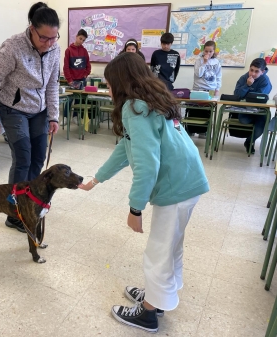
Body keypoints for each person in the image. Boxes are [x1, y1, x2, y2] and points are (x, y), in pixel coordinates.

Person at [79, 52, 209, 333]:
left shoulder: (133, 108)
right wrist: (97, 180)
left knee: (158, 252)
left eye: (109, 84)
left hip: (176, 188)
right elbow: (126, 150)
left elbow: (147, 164)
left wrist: (135, 208)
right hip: (188, 181)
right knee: (170, 247)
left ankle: (148, 314)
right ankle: (157, 298)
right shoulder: (151, 101)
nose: (107, 89)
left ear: (121, 82)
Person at [0, 2, 60, 233]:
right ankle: (13, 211)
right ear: (32, 29)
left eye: (54, 38)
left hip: (38, 111)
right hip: (13, 108)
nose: (49, 43)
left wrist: (53, 115)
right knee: (23, 158)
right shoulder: (13, 47)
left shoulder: (54, 49)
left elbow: (51, 85)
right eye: (44, 38)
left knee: (38, 159)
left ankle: (30, 202)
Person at [234, 57, 272, 154]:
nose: (253, 74)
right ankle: (250, 137)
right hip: (246, 109)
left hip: (260, 111)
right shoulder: (244, 78)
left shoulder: (265, 81)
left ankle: (249, 141)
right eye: (251, 70)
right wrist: (247, 85)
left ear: (262, 71)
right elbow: (237, 95)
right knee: (243, 120)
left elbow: (260, 97)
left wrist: (246, 94)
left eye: (256, 71)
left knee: (261, 124)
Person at [187, 41, 222, 138]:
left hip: (210, 90)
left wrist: (217, 89)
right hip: (198, 88)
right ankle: (191, 130)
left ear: (214, 51)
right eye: (206, 51)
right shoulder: (199, 61)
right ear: (203, 50)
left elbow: (218, 76)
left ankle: (203, 131)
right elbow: (198, 74)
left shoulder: (216, 62)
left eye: (210, 51)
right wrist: (205, 63)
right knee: (194, 110)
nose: (208, 53)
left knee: (206, 111)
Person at [62, 28, 91, 126]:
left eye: (83, 40)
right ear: (76, 36)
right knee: (69, 99)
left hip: (81, 80)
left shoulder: (84, 51)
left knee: (79, 100)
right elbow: (66, 67)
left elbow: (88, 65)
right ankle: (66, 118)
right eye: (80, 38)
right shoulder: (68, 50)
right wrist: (69, 80)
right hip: (72, 80)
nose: (81, 41)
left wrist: (85, 74)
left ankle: (75, 116)